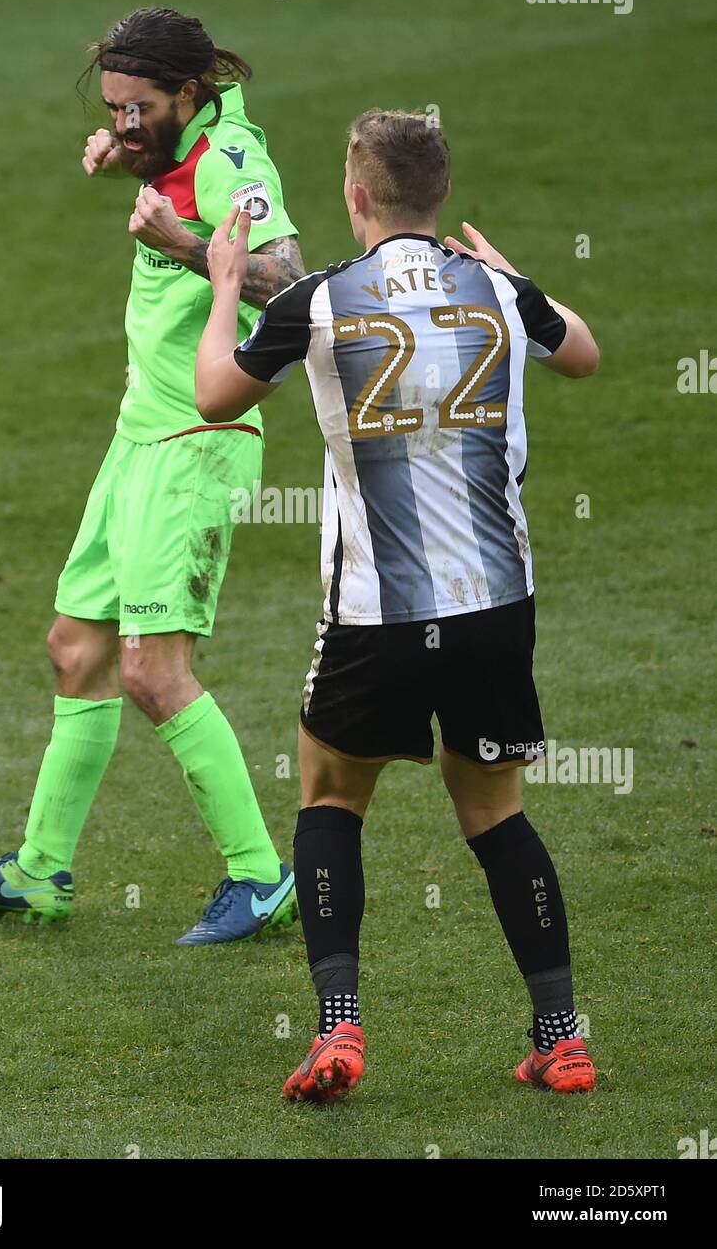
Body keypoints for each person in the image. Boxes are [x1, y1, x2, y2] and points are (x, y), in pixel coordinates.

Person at [194, 107, 600, 1096]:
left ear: (354, 195)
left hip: (375, 613)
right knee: (496, 813)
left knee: (330, 798)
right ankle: (561, 1035)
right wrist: (515, 276)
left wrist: (218, 290)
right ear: (440, 194)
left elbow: (213, 394)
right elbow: (582, 353)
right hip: (496, 609)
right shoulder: (499, 291)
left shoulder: (321, 300)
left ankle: (337, 1029)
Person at [0, 8, 303, 944]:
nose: (122, 124)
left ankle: (261, 877)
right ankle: (41, 870)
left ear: (190, 93)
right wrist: (131, 150)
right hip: (136, 439)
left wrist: (185, 243)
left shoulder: (231, 165)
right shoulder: (178, 138)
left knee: (151, 672)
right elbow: (160, 157)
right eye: (111, 108)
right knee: (76, 649)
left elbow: (292, 281)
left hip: (198, 444)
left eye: (138, 109)